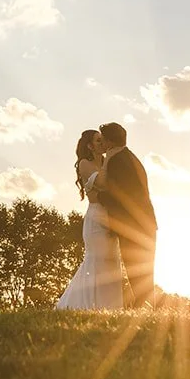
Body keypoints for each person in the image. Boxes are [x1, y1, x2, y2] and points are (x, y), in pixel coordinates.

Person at [54, 129, 124, 310]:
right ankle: (80, 306)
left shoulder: (106, 162)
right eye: (98, 141)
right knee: (97, 261)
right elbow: (102, 183)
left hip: (112, 218)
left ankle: (111, 309)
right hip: (96, 219)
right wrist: (110, 157)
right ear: (89, 145)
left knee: (112, 264)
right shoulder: (84, 164)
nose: (102, 144)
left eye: (103, 140)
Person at [93, 121, 157, 307]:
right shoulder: (128, 157)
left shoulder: (118, 161)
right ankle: (145, 310)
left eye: (103, 140)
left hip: (133, 224)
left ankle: (141, 312)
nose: (102, 144)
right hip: (143, 222)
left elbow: (118, 193)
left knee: (136, 269)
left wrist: (99, 197)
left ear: (110, 141)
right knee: (142, 270)